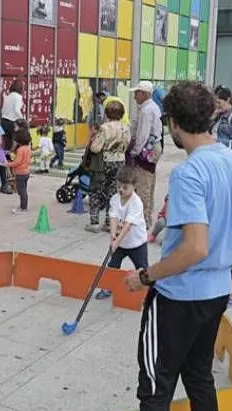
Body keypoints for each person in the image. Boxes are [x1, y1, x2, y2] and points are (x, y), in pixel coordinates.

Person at [109, 81, 232, 411]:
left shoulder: (191, 172)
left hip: (176, 298)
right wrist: (226, 254)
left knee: (155, 389)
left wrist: (146, 276)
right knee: (199, 379)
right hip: (215, 295)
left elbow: (193, 246)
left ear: (174, 124)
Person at [95, 166, 148, 300]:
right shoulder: (115, 199)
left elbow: (127, 225)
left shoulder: (136, 203)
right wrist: (113, 235)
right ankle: (108, 287)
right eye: (118, 186)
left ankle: (147, 292)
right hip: (121, 243)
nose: (120, 190)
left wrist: (116, 242)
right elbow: (113, 217)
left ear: (134, 186)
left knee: (142, 268)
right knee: (112, 266)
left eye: (125, 187)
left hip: (137, 243)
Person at [88, 100, 130, 232]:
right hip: (120, 162)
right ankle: (109, 221)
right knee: (113, 192)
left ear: (107, 113)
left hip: (104, 162)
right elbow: (127, 145)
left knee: (96, 190)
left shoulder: (104, 128)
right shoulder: (126, 128)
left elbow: (95, 148)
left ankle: (94, 222)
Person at [128, 81, 163, 226]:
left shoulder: (146, 110)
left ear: (144, 94)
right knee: (149, 182)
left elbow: (142, 134)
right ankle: (147, 215)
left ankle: (143, 219)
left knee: (143, 184)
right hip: (154, 147)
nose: (135, 96)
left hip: (146, 150)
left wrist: (135, 152)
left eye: (137, 93)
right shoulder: (153, 107)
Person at [8, 128, 32, 214]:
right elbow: (28, 160)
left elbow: (17, 162)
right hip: (26, 172)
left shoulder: (20, 149)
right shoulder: (28, 148)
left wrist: (8, 164)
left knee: (21, 191)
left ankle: (23, 208)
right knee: (23, 190)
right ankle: (23, 205)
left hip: (20, 173)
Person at [213, 87, 232, 153]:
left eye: (219, 102)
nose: (217, 105)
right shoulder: (219, 115)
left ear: (228, 100)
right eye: (216, 102)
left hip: (226, 156)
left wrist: (214, 141)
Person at [1, 80, 25, 149]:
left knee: (7, 143)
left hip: (3, 121)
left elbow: (3, 110)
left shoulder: (7, 96)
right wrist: (23, 119)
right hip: (12, 122)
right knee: (16, 142)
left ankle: (7, 157)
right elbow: (16, 110)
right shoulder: (18, 97)